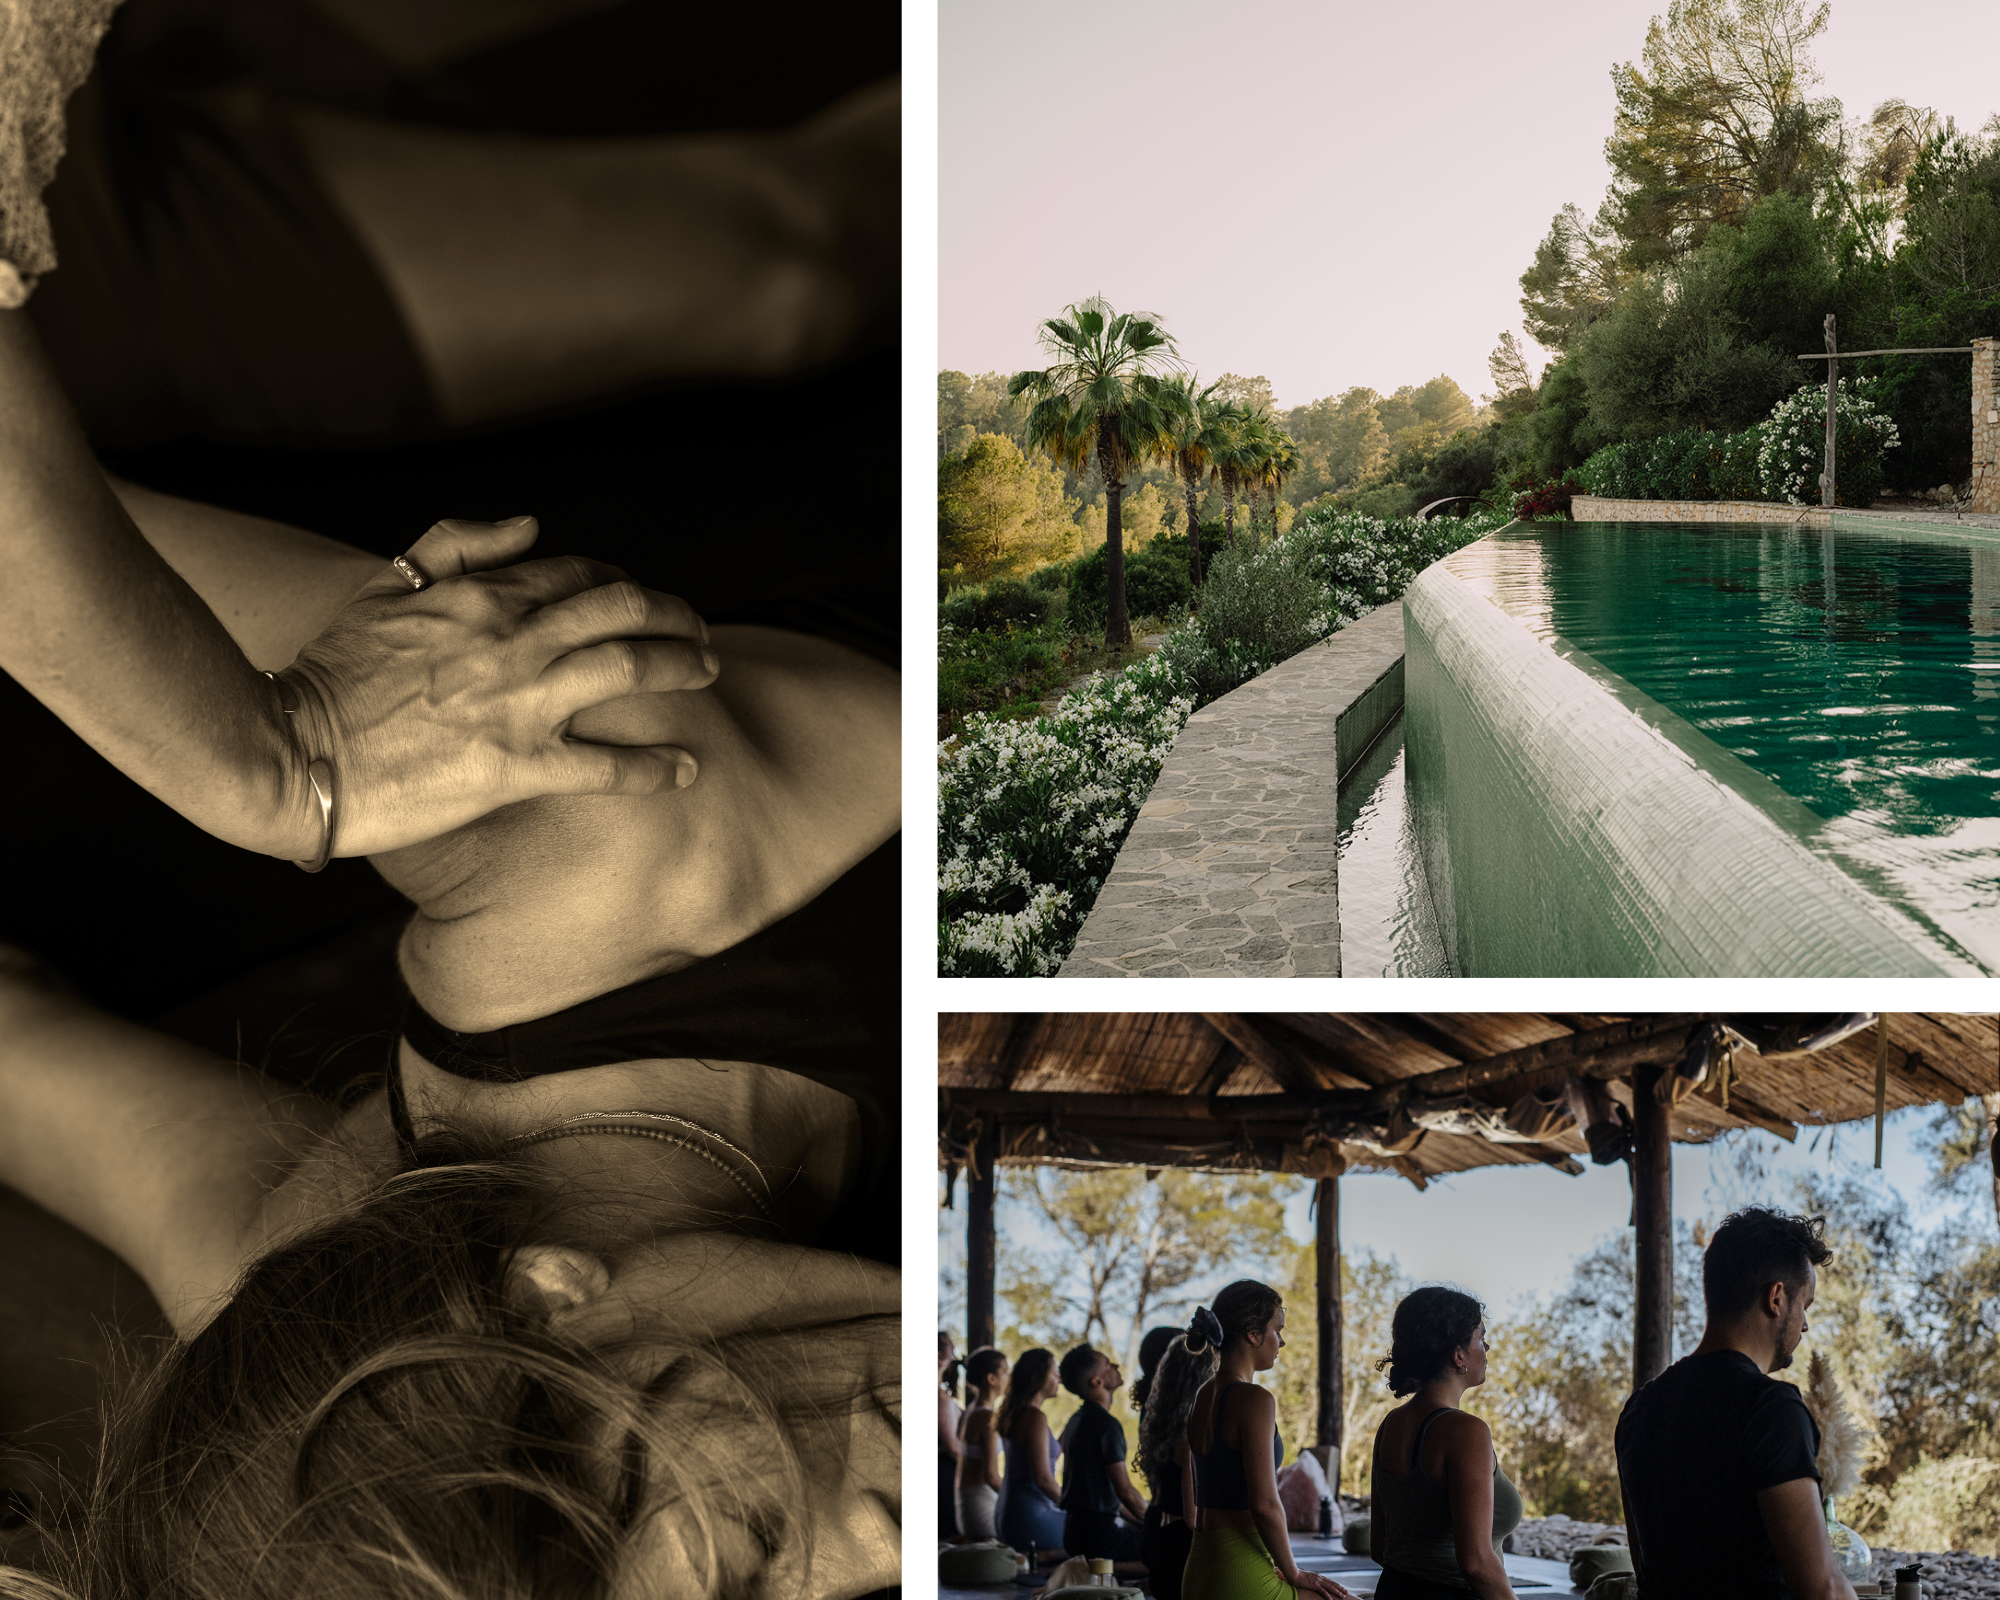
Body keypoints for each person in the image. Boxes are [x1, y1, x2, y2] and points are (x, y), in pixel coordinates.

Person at [0, 461, 900, 1596]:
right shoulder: (327, 1324)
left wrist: (265, 760)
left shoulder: (582, 834)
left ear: (547, 1306)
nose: (875, 1555)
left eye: (756, 1538)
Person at [1615, 1207, 1850, 1600]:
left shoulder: (1639, 1409)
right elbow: (1823, 1589)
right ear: (1776, 1298)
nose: (1805, 1324)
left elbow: (1647, 1571)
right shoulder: (1771, 1408)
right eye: (1805, 1305)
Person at [1181, 1284, 1354, 1600]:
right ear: (1252, 1334)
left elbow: (1194, 1501)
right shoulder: (1254, 1399)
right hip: (1240, 1572)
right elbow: (1265, 1504)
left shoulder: (1202, 1396)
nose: (1282, 1341)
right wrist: (1294, 1572)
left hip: (1200, 1567)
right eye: (1277, 1330)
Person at [1368, 1287, 1522, 1600]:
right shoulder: (1466, 1432)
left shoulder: (1391, 1425)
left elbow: (1378, 1545)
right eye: (1481, 1337)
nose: (1487, 1346)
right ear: (1458, 1354)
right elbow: (1477, 1564)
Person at [1136, 1331, 1218, 1600]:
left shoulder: (1163, 1427)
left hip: (1158, 1533)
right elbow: (1193, 1517)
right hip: (1180, 1550)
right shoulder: (1189, 1437)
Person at [1055, 1344, 1149, 1566]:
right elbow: (1125, 1492)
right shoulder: (1106, 1425)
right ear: (1096, 1382)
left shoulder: (1076, 1421)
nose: (1115, 1366)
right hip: (1101, 1540)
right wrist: (1156, 1525)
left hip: (1073, 1534)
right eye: (1108, 1364)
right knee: (1168, 1549)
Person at [995, 1348, 1068, 1560]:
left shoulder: (1021, 1413)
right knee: (1092, 1533)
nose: (1059, 1379)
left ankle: (1039, 1556)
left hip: (1010, 1512)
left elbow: (1050, 1454)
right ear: (1039, 1377)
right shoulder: (1034, 1416)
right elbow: (1043, 1480)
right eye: (1054, 1373)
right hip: (1031, 1517)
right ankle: (1039, 1556)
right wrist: (1074, 1506)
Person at [956, 1347, 1009, 1541]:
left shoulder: (970, 1411)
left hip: (968, 1500)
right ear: (991, 1379)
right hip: (981, 1504)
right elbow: (991, 1476)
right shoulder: (987, 1417)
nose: (1009, 1378)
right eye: (1005, 1372)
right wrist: (1016, 1498)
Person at [937, 1331, 964, 1541]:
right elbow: (952, 1446)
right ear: (939, 1356)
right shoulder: (940, 1398)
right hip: (943, 1474)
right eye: (951, 1351)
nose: (955, 1357)